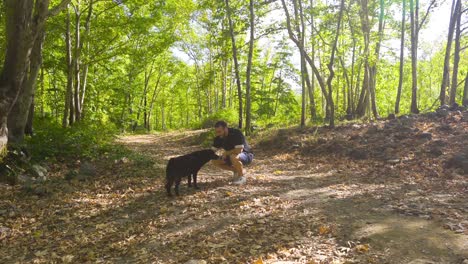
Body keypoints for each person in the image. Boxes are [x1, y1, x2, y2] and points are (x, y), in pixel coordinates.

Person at [211, 121, 254, 185]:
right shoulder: (218, 138)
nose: (218, 134)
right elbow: (211, 151)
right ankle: (236, 170)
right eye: (216, 132)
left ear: (225, 128)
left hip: (246, 155)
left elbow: (239, 150)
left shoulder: (236, 133)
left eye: (219, 131)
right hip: (231, 156)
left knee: (233, 156)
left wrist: (226, 153)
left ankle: (241, 177)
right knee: (214, 160)